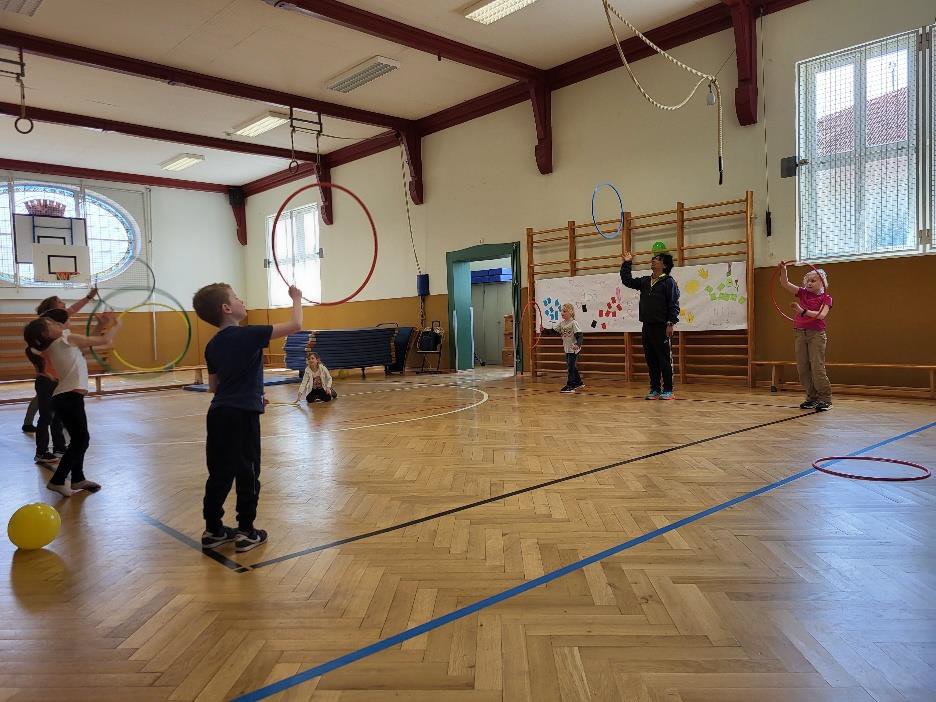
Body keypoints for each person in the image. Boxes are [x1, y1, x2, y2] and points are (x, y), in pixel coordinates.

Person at [192, 282, 303, 553]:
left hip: (218, 414)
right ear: (227, 308)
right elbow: (296, 325)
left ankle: (213, 530)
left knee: (219, 473)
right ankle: (246, 531)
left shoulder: (212, 345)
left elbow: (214, 387)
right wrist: (297, 298)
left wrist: (250, 393)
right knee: (248, 471)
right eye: (237, 297)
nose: (243, 301)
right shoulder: (249, 334)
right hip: (242, 416)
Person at [23, 309, 119, 497]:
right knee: (82, 440)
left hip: (67, 398)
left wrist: (99, 326)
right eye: (50, 324)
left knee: (78, 440)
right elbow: (104, 341)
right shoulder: (66, 339)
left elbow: (84, 345)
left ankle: (77, 479)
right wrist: (117, 325)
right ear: (45, 333)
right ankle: (58, 480)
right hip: (69, 397)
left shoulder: (58, 343)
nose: (56, 323)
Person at [22, 289, 97, 433]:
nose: (64, 304)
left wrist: (89, 297)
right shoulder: (46, 325)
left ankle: (57, 424)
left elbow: (74, 308)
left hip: (59, 368)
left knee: (53, 397)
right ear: (53, 307)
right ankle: (32, 425)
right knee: (44, 398)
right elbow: (33, 350)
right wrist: (41, 369)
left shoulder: (57, 320)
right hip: (51, 371)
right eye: (60, 302)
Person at [620, 251, 680, 400]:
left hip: (662, 327)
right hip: (647, 326)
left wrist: (670, 323)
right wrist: (627, 263)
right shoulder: (645, 281)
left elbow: (674, 304)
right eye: (653, 258)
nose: (653, 260)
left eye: (657, 259)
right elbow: (627, 280)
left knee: (664, 359)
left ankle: (668, 389)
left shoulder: (668, 282)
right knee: (651, 359)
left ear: (664, 265)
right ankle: (654, 388)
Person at [778, 263, 833, 411]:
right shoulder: (803, 293)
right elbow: (785, 283)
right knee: (802, 368)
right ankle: (812, 398)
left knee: (817, 368)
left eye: (813, 280)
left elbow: (821, 315)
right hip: (800, 333)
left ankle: (825, 399)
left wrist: (802, 311)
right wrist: (783, 271)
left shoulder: (826, 298)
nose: (809, 283)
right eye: (807, 280)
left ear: (822, 282)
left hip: (816, 335)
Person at [25, 308, 70, 468]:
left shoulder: (52, 344)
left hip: (56, 382)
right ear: (43, 333)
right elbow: (35, 354)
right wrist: (44, 373)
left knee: (57, 416)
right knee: (45, 417)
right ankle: (41, 452)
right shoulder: (37, 348)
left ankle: (59, 446)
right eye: (49, 326)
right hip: (45, 384)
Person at [551, 303, 584, 393]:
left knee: (570, 367)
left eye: (564, 311)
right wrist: (544, 330)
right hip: (567, 348)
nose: (562, 313)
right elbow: (553, 331)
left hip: (573, 349)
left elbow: (580, 335)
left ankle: (571, 385)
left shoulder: (573, 323)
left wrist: (577, 344)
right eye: (561, 311)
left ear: (571, 312)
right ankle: (579, 382)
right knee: (572, 366)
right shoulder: (561, 324)